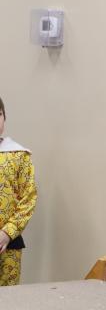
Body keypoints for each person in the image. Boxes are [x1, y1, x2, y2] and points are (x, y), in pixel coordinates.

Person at [0, 97, 38, 287]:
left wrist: (7, 233)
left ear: (4, 118)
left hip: (9, 244)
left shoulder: (18, 155)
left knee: (8, 297)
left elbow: (28, 198)